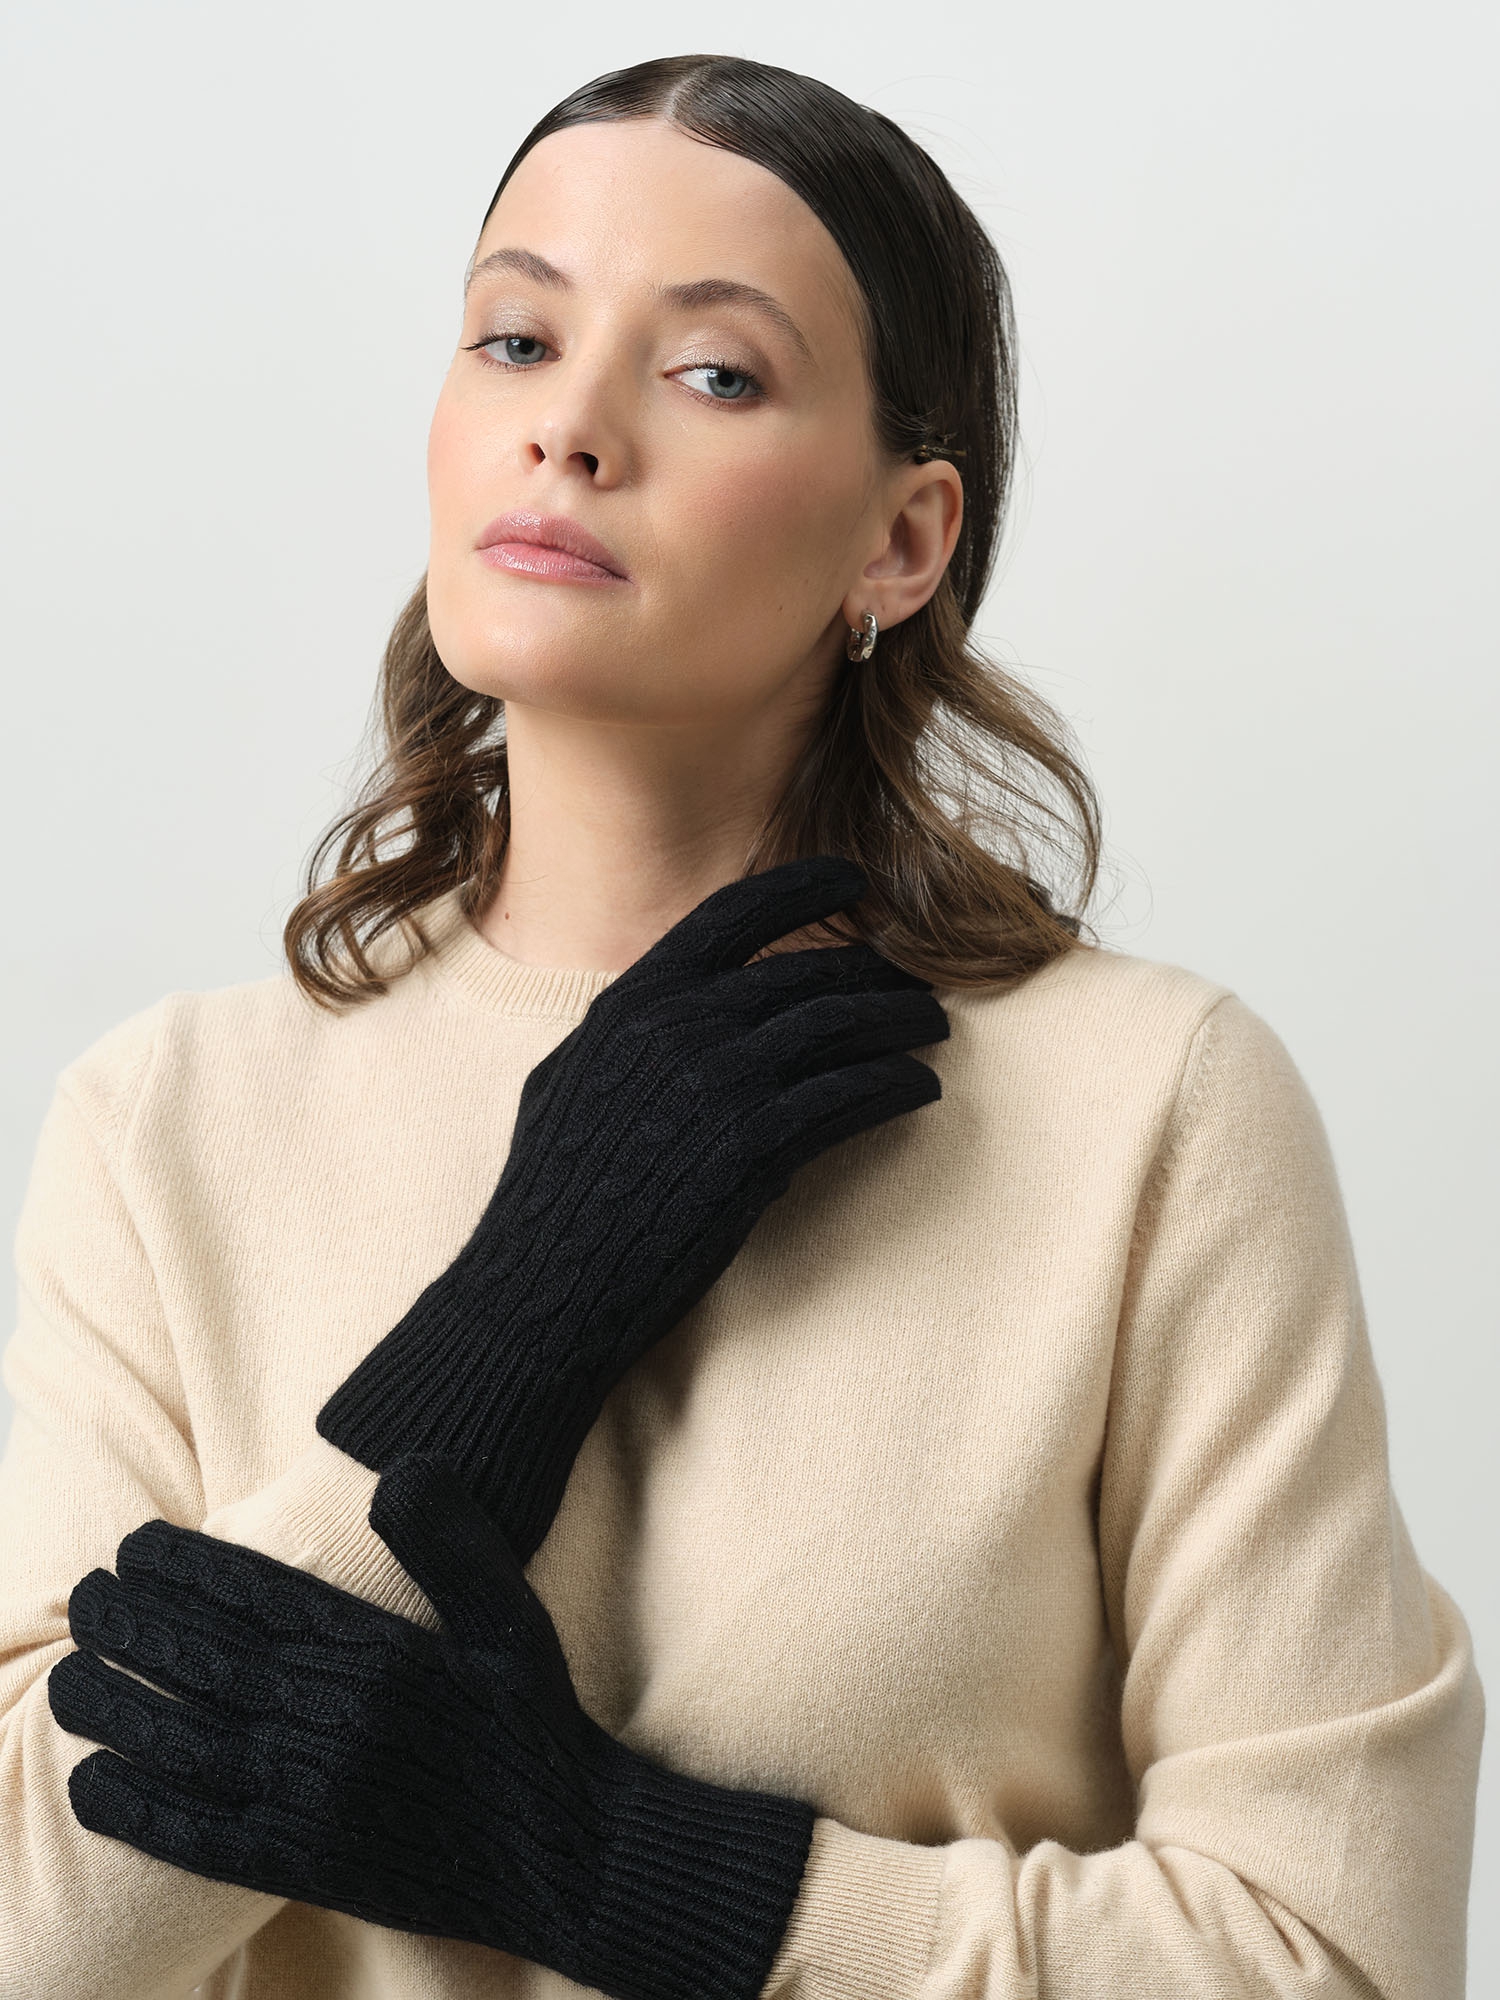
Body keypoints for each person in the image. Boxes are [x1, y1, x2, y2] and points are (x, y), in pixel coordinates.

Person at [0, 51, 1480, 2000]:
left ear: (903, 541)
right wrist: (506, 1326)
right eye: (516, 339)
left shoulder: (1151, 1110)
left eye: (712, 372)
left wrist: (626, 1872)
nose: (570, 428)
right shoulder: (168, 1121)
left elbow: (1337, 1958)